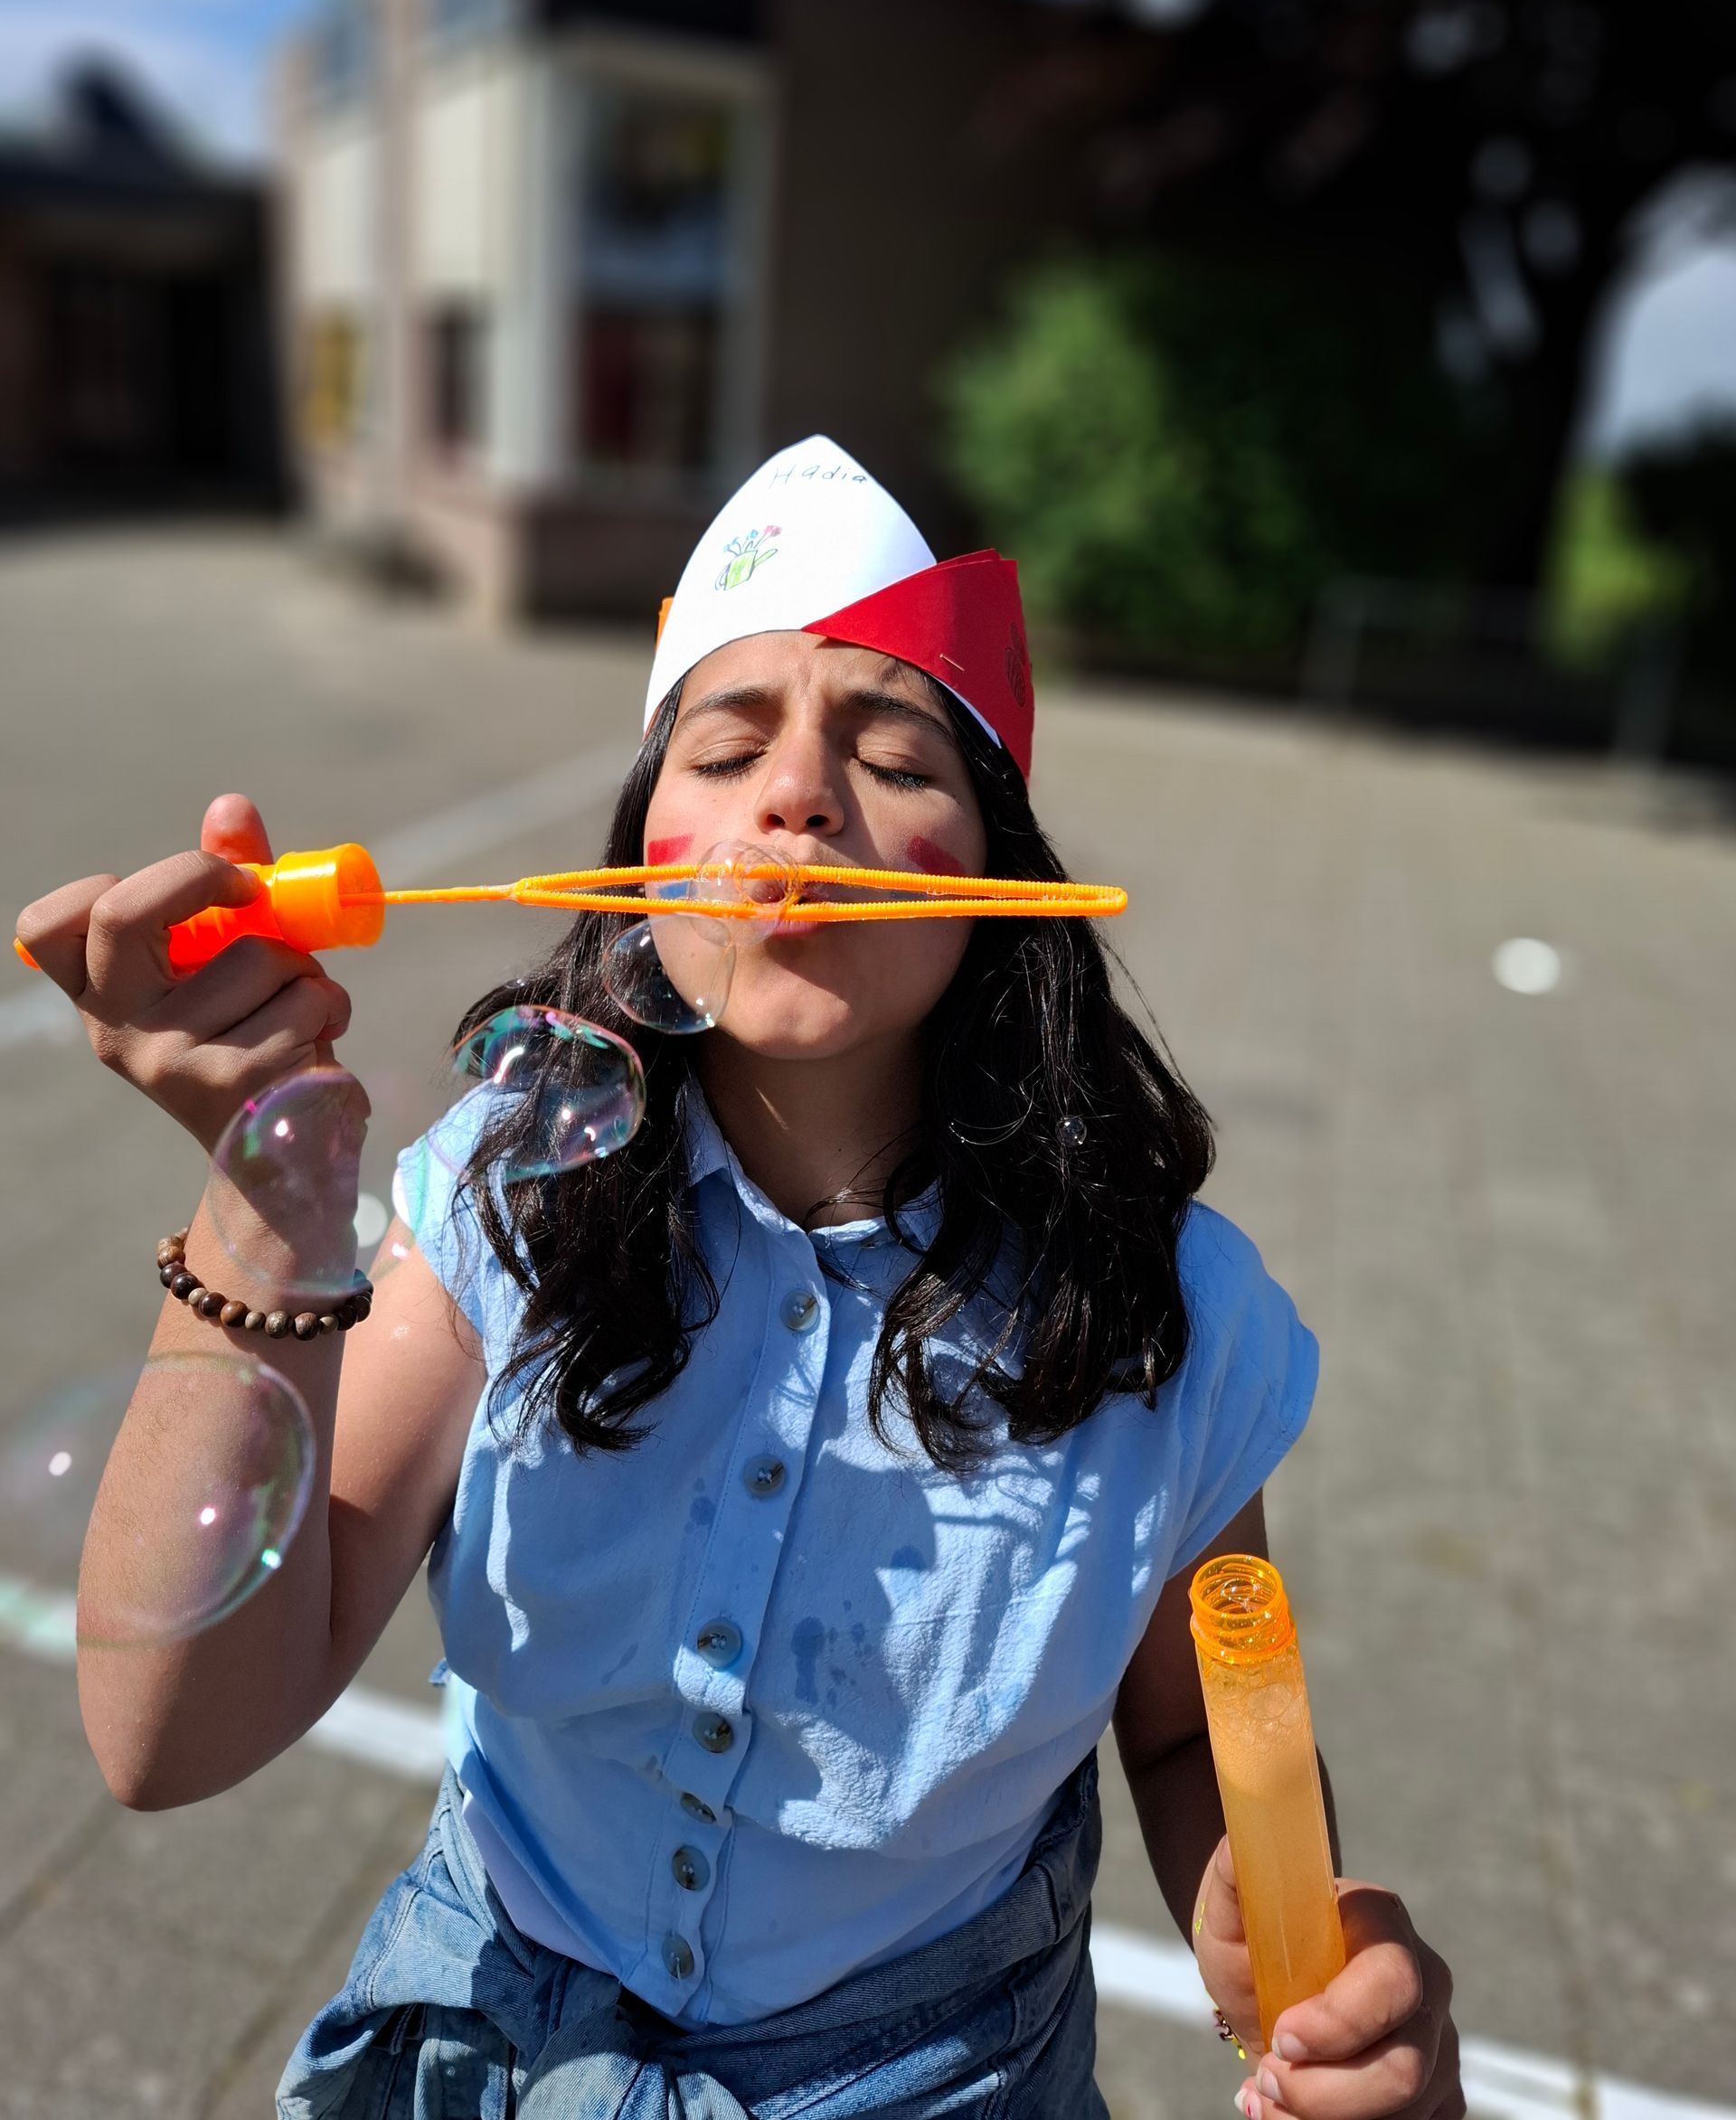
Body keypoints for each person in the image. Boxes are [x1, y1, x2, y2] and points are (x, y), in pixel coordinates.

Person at [18, 438, 1462, 2119]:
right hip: (488, 2041)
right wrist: (266, 1189)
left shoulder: (1159, 1309)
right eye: (727, 745)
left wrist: (1290, 1947)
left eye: (893, 751)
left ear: (999, 881)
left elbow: (1190, 1733)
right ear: (641, 856)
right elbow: (166, 1740)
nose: (798, 798)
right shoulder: (508, 1202)